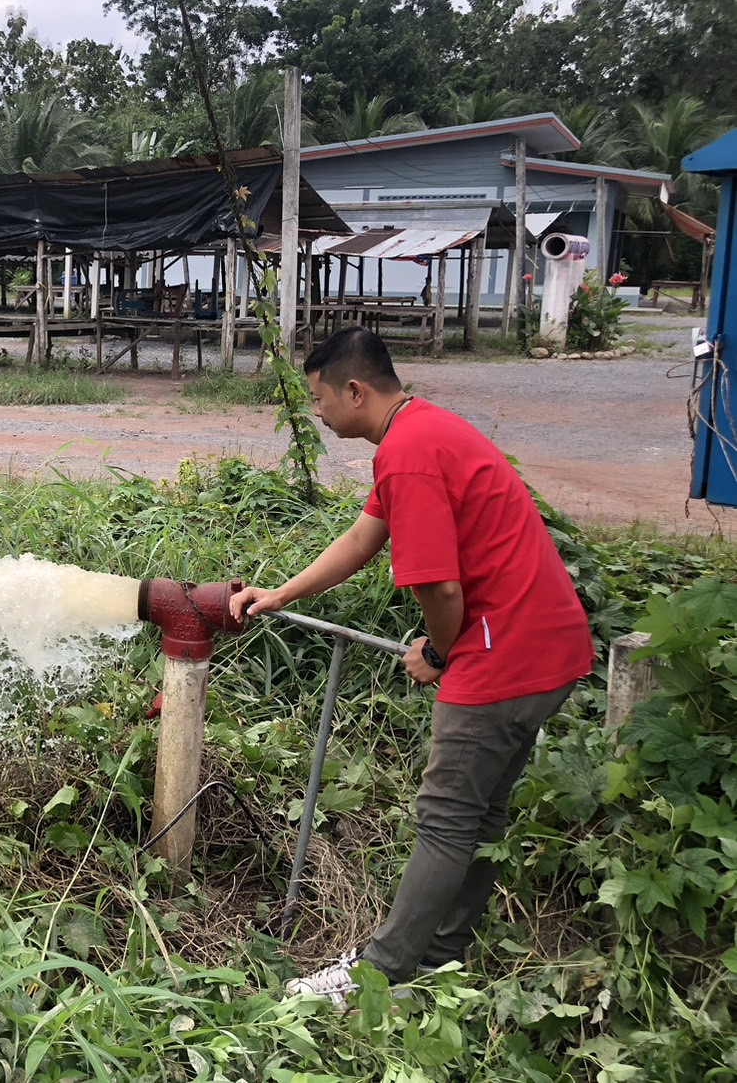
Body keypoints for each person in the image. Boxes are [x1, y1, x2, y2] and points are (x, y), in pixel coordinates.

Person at [229, 326, 593, 1010]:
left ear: (354, 390)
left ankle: (381, 973)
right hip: (548, 649)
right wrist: (280, 593)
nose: (317, 412)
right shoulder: (421, 430)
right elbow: (364, 536)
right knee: (478, 817)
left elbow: (441, 590)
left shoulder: (408, 455)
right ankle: (440, 955)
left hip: (501, 652)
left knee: (446, 817)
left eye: (319, 399)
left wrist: (437, 652)